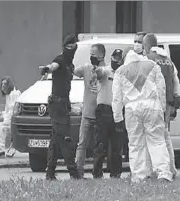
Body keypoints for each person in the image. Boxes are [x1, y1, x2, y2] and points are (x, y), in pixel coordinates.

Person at [112, 47, 173, 183]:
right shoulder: (152, 65)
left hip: (131, 109)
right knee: (157, 141)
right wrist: (162, 108)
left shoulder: (120, 71)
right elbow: (161, 88)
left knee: (135, 144)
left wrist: (118, 118)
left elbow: (116, 98)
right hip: (152, 105)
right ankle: (163, 173)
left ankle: (139, 176)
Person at [39, 34, 81, 180]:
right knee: (64, 139)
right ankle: (74, 173)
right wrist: (46, 69)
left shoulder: (70, 64)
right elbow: (53, 66)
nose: (71, 49)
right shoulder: (60, 60)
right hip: (57, 105)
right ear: (64, 47)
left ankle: (50, 173)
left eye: (73, 47)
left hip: (63, 104)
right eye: (68, 47)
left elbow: (76, 73)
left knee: (55, 140)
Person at [143, 33, 180, 178]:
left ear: (147, 46)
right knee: (165, 136)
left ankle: (152, 170)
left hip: (153, 103)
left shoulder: (148, 59)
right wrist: (175, 101)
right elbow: (175, 80)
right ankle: (171, 168)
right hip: (168, 103)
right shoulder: (168, 60)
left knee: (151, 138)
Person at [91, 46, 124, 179]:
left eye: (119, 58)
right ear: (111, 58)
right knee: (101, 144)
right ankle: (97, 173)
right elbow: (99, 73)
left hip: (117, 111)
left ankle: (116, 173)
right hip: (104, 110)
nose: (116, 60)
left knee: (117, 145)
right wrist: (95, 67)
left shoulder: (122, 73)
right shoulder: (106, 71)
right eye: (114, 58)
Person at [73, 44, 99, 177]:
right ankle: (79, 171)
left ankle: (97, 172)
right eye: (90, 53)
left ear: (101, 55)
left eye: (94, 54)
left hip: (100, 114)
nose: (91, 56)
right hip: (87, 113)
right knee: (82, 143)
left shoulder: (106, 70)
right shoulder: (86, 68)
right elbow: (73, 71)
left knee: (98, 146)